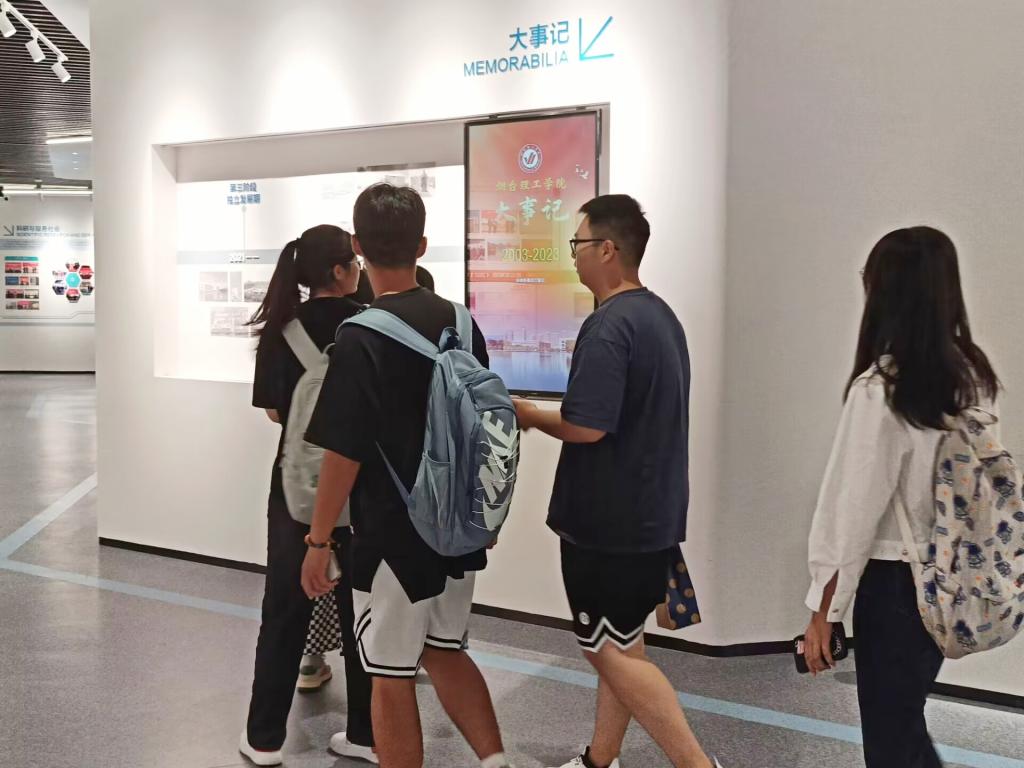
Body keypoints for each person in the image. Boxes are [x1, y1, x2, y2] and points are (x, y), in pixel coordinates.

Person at [301, 184, 514, 768]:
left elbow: (342, 455)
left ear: (357, 245)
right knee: (446, 651)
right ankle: (497, 763)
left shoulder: (360, 336)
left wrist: (317, 542)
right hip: (458, 528)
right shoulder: (462, 322)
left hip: (394, 534)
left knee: (389, 674)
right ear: (421, 245)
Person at [515, 195, 724, 768]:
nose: (573, 256)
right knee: (622, 641)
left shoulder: (608, 326)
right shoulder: (660, 317)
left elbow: (586, 426)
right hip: (650, 516)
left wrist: (528, 414)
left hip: (606, 525)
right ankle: (598, 760)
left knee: (606, 650)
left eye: (578, 244)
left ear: (607, 249)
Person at [802, 226, 1000, 768]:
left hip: (892, 584)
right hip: (946, 579)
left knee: (891, 738)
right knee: (904, 725)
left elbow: (850, 511)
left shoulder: (881, 388)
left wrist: (824, 608)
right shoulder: (970, 379)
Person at [240, 225, 376, 767]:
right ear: (340, 270)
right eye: (353, 262)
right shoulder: (370, 324)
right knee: (362, 613)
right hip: (363, 492)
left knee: (284, 610)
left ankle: (264, 739)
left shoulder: (282, 329)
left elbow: (276, 411)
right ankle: (365, 733)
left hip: (296, 491)